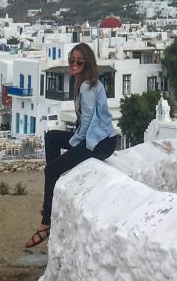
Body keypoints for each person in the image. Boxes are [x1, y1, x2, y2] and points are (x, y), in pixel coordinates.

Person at [26, 43, 119, 249]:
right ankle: (52, 194)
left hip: (98, 142)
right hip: (96, 138)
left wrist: (75, 143)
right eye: (72, 60)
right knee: (52, 137)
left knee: (52, 170)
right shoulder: (84, 83)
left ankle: (46, 222)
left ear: (88, 64)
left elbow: (87, 122)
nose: (74, 64)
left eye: (79, 62)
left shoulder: (87, 87)